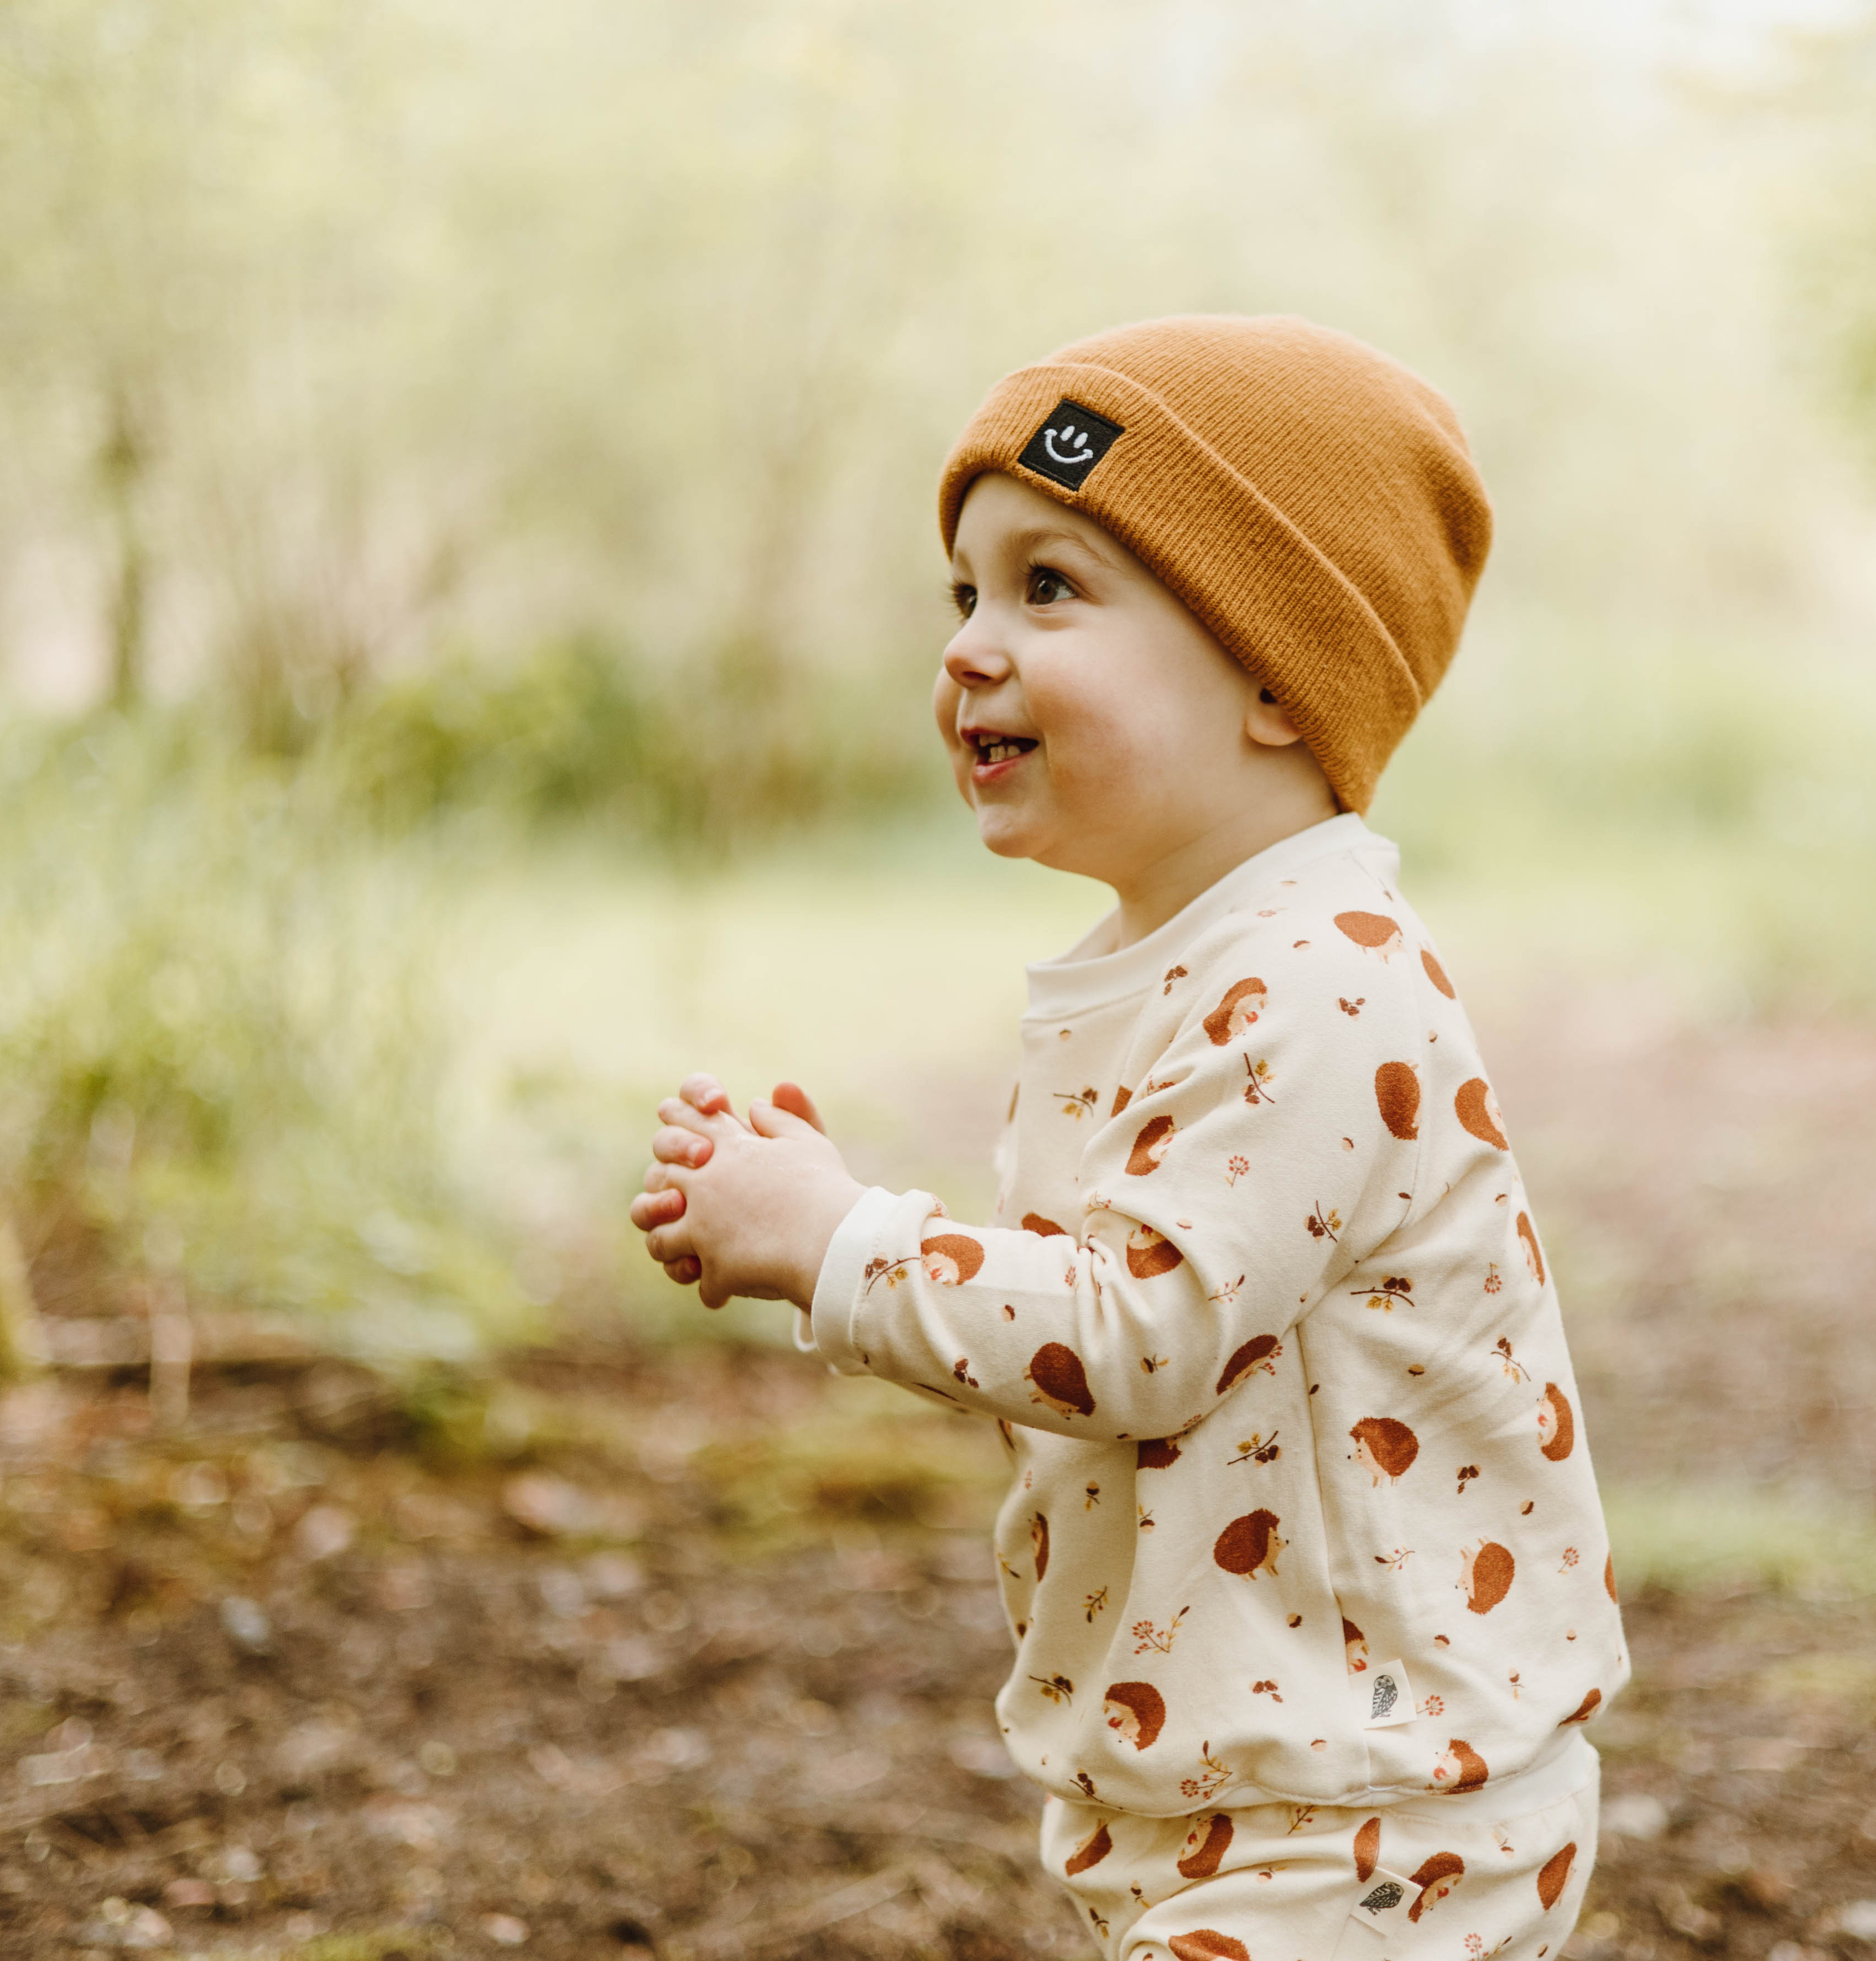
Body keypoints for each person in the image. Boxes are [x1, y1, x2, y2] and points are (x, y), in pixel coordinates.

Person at [628, 315, 1626, 1959]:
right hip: (1247, 1781)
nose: (967, 646)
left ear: (1269, 673)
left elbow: (1138, 1332)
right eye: (964, 593)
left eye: (1050, 587)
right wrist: (825, 1226)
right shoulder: (1170, 968)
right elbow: (1121, 1315)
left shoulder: (1320, 983)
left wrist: (839, 1239)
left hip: (1373, 1808)